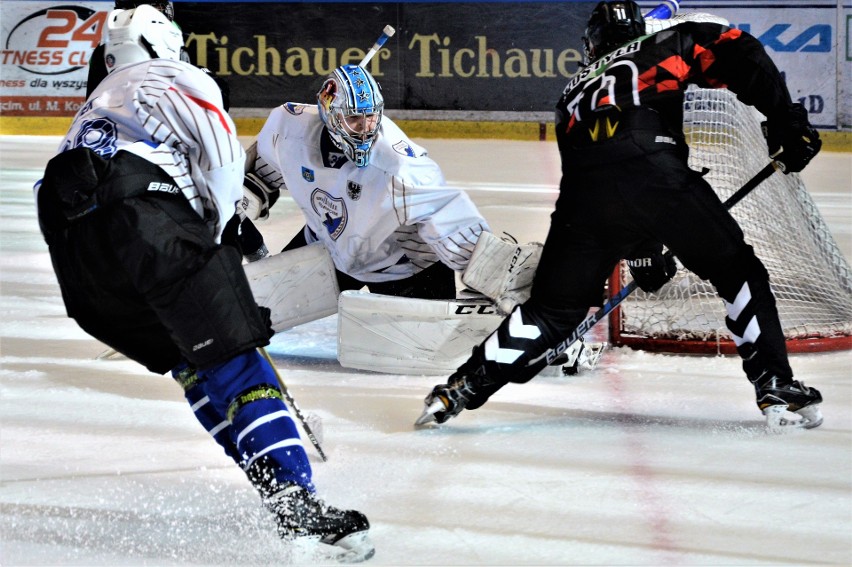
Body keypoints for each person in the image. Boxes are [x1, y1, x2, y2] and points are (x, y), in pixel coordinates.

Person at [35, 6, 373, 562]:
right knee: (236, 359)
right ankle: (297, 503)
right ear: (163, 41)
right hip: (145, 224)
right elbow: (219, 159)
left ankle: (280, 494)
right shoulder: (176, 76)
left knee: (194, 363)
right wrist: (219, 235)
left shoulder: (94, 104)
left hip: (78, 262)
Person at [416, 1, 824, 431]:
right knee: (738, 272)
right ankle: (776, 386)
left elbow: (607, 173)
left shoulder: (570, 91)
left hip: (582, 200)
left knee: (551, 312)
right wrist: (785, 119)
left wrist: (643, 249)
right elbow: (738, 49)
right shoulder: (666, 41)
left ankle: (459, 388)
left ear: (592, 43)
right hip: (657, 175)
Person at [241, 64, 490, 300]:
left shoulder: (399, 166)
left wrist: (489, 273)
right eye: (354, 119)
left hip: (404, 266)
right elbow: (256, 183)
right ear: (330, 116)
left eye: (371, 116)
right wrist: (249, 237)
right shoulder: (288, 130)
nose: (365, 129)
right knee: (261, 306)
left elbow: (449, 219)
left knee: (422, 345)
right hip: (331, 247)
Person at [86, 1, 268, 262]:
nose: (155, 10)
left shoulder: (148, 41)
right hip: (144, 171)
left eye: (158, 5)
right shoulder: (117, 52)